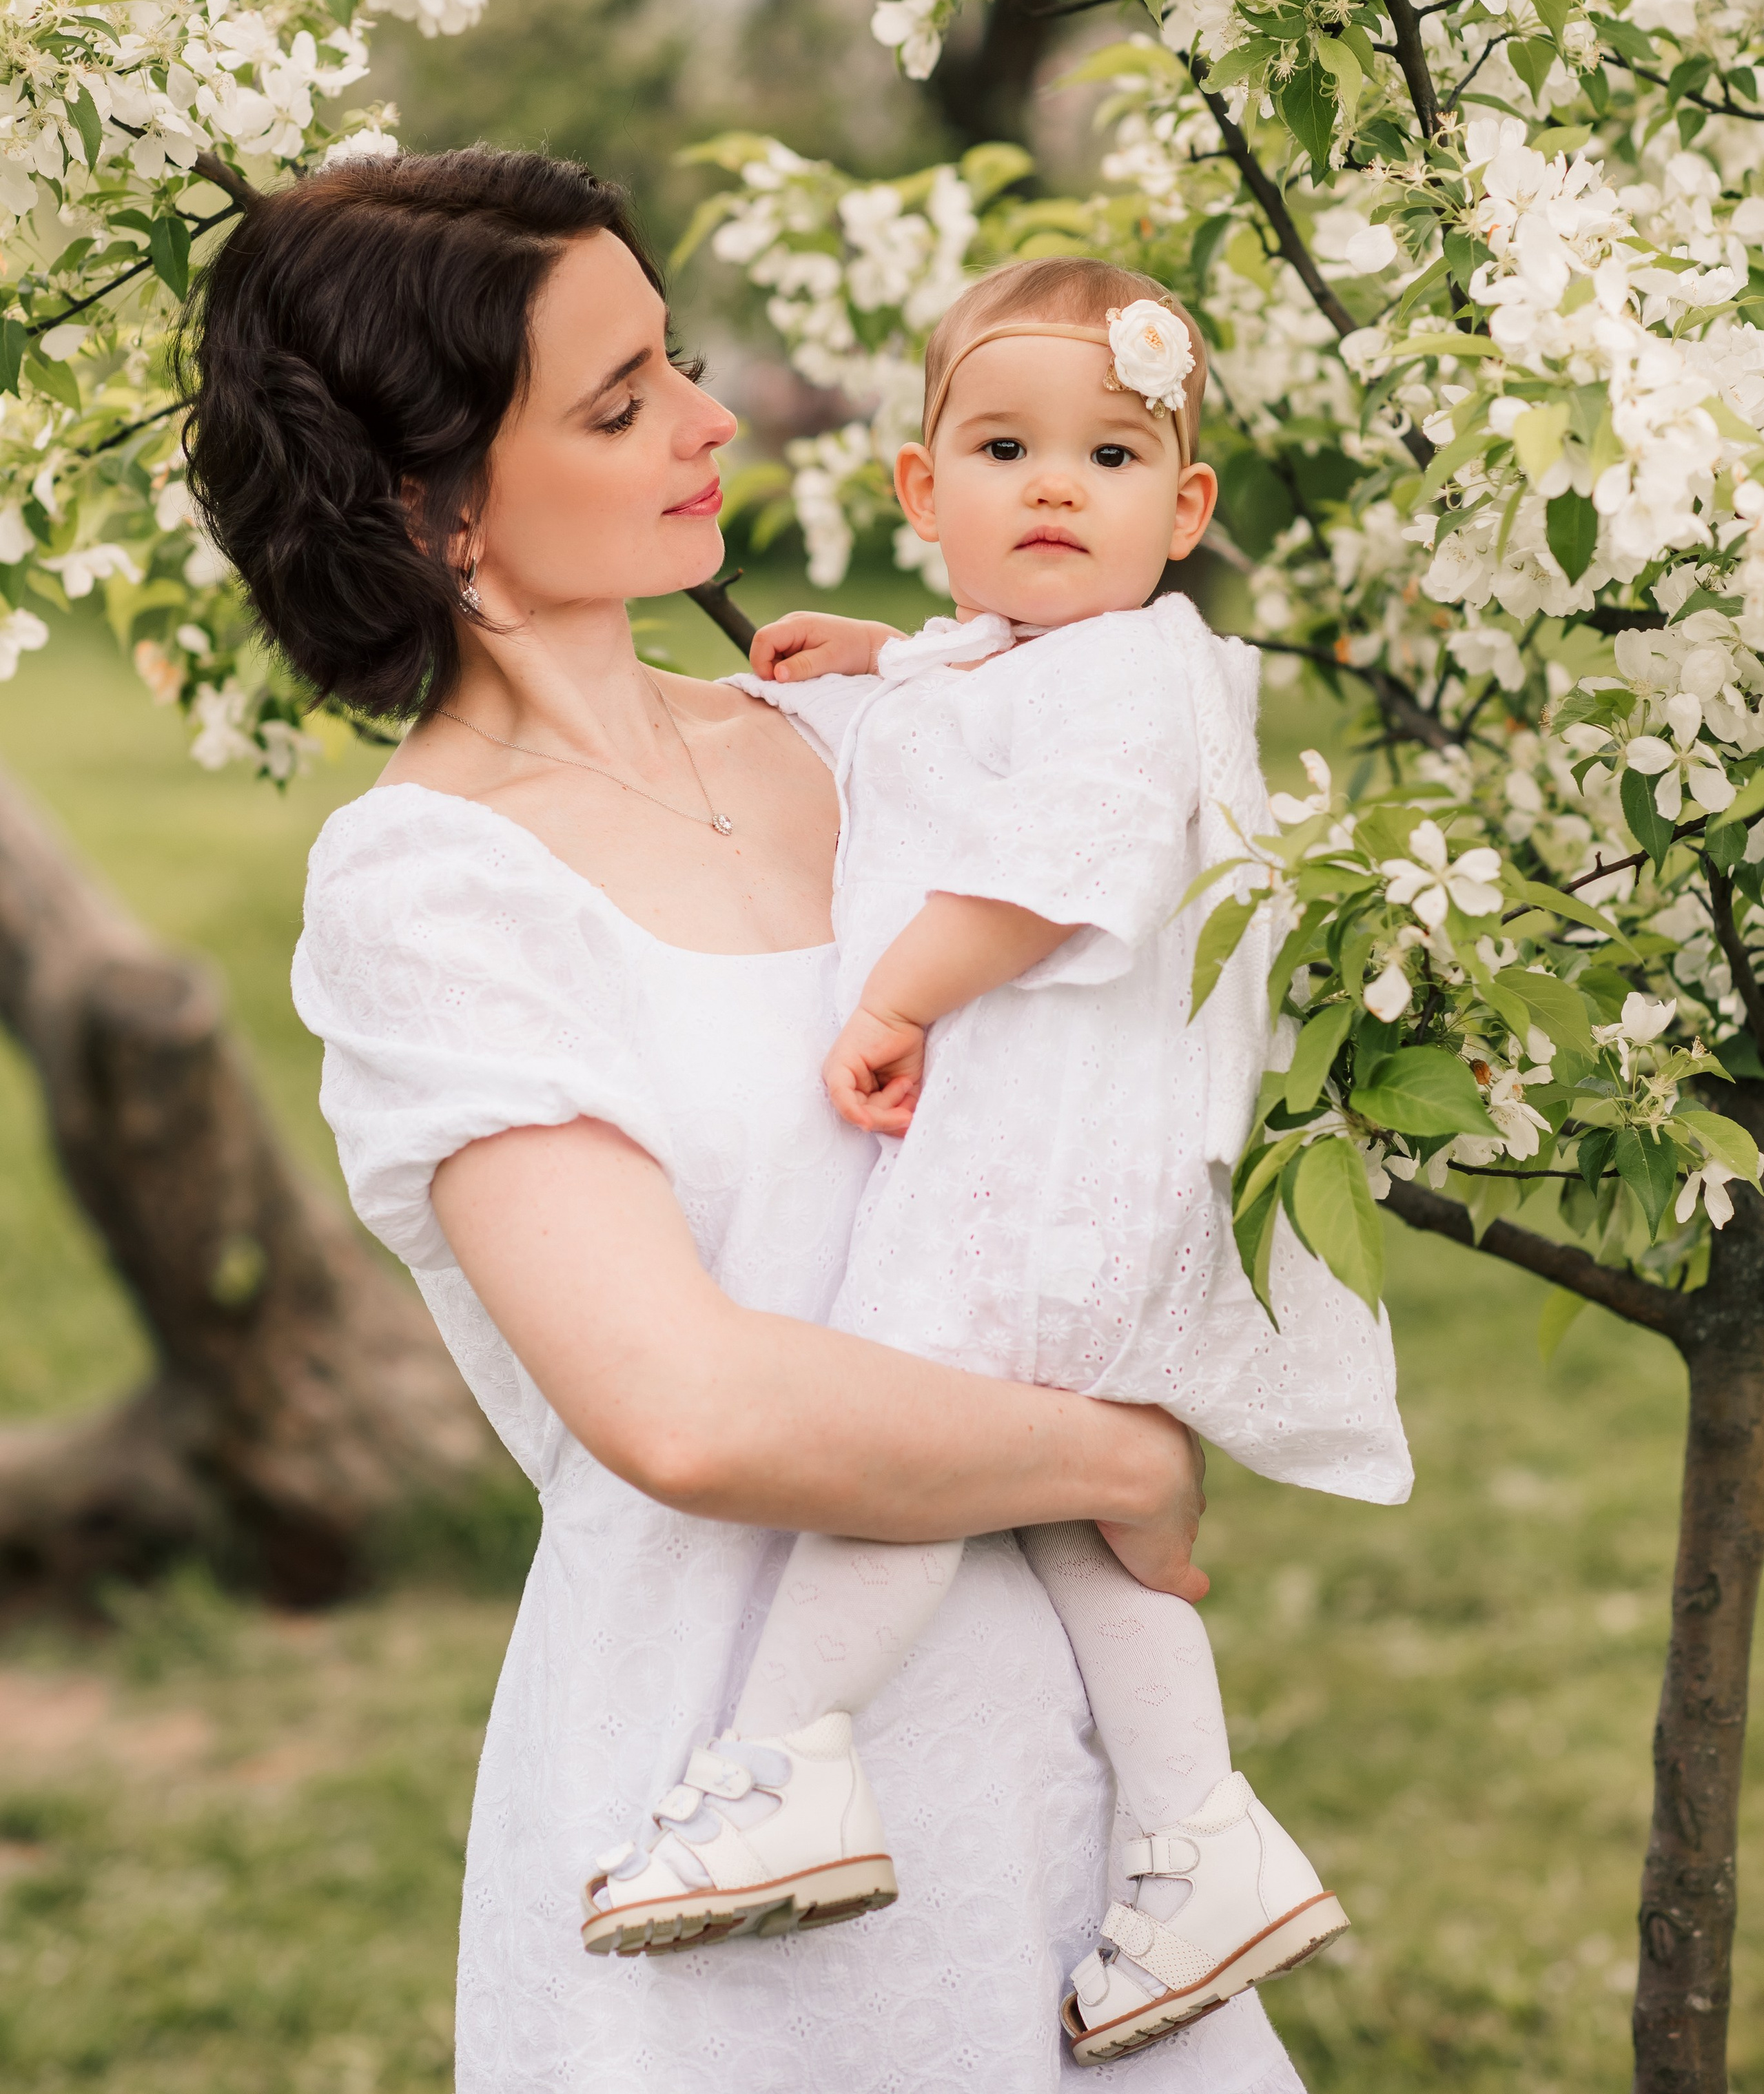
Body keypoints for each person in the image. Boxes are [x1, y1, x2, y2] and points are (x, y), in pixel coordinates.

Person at [178, 146, 1309, 2094]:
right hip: (732, 1832)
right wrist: (1114, 1456)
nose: (713, 419)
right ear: (431, 504)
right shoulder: (433, 889)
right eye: (621, 403)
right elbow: (683, 1406)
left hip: (1058, 1785)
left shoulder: (847, 732)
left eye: (675, 361)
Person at [582, 257, 1413, 2066]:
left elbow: (1057, 865)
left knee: (912, 1443)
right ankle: (1194, 1833)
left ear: (1183, 512)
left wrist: (896, 998)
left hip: (1033, 1184)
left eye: (1111, 457)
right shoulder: (1026, 657)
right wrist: (882, 660)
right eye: (1008, 445)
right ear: (920, 489)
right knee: (1058, 1522)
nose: (1056, 486)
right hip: (1084, 1184)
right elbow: (980, 715)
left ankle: (783, 1758)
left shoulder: (1127, 680)